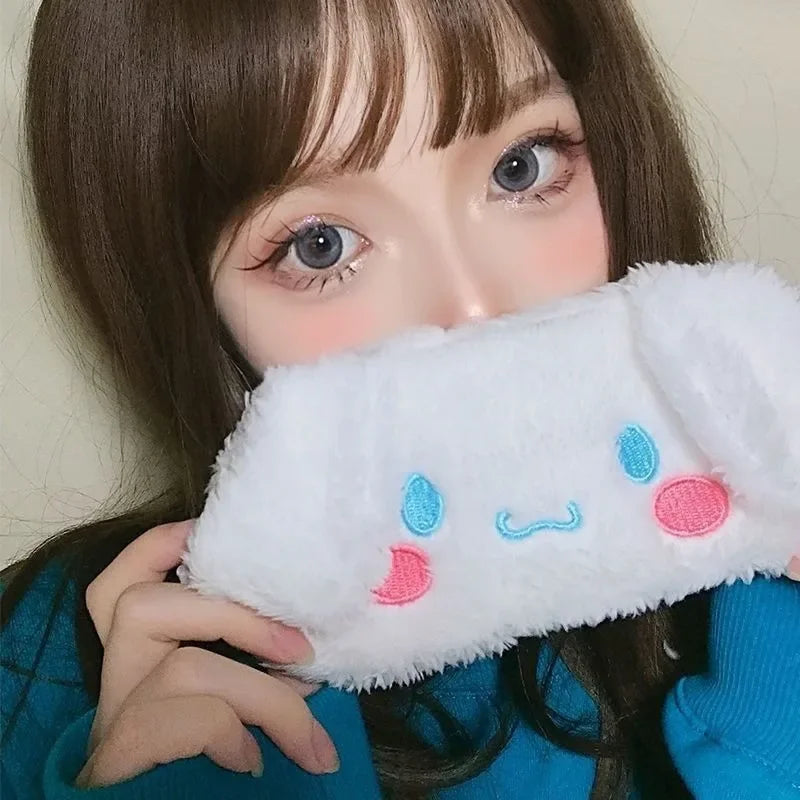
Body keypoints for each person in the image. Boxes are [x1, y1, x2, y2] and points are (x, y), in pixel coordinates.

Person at [2, 1, 798, 798]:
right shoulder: (49, 667)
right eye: (321, 246)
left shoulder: (762, 536)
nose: (476, 311)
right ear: (194, 313)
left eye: (521, 167)